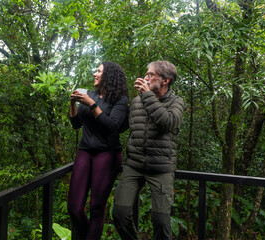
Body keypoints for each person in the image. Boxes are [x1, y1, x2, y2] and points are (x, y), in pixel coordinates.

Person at [112, 60, 185, 240]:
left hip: (161, 168)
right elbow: (121, 126)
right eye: (146, 74)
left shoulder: (177, 102)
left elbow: (167, 123)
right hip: (134, 165)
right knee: (119, 214)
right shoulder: (136, 102)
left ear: (165, 80)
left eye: (150, 75)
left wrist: (147, 95)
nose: (146, 77)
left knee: (160, 221)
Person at [68, 61, 129, 240]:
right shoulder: (90, 94)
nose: (94, 74)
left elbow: (113, 126)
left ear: (109, 76)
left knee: (96, 208)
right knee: (74, 207)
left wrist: (92, 105)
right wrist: (73, 103)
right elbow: (76, 124)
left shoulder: (120, 100)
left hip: (107, 153)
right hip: (85, 151)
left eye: (99, 71)